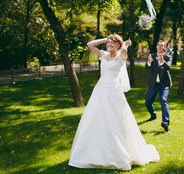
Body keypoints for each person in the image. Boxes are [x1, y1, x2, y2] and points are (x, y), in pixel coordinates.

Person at [69, 34, 160, 170]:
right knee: (95, 120)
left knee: (114, 122)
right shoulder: (103, 54)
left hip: (114, 92)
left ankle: (117, 153)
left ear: (118, 44)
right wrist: (105, 39)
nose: (109, 45)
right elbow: (89, 44)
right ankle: (93, 152)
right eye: (108, 43)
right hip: (100, 91)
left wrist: (125, 45)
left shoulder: (121, 55)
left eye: (113, 43)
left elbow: (123, 51)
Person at [145, 40, 172, 132]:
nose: (160, 47)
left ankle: (166, 122)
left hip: (164, 84)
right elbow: (146, 67)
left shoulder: (168, 57)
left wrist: (162, 61)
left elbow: (167, 67)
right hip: (153, 83)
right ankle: (153, 115)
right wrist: (148, 62)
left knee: (163, 100)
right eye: (158, 45)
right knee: (148, 102)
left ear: (165, 48)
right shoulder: (151, 56)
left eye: (162, 45)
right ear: (156, 47)